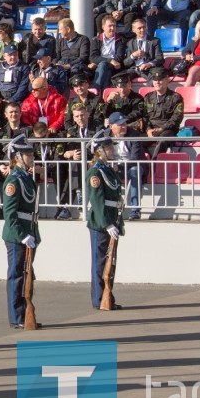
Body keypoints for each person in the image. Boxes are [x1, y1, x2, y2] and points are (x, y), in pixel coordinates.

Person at [0, 135, 40, 330]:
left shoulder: (25, 177)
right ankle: (16, 316)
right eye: (27, 154)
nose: (31, 156)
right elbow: (10, 214)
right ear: (17, 157)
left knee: (27, 275)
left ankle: (25, 312)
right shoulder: (13, 181)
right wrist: (23, 235)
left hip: (29, 231)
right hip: (17, 236)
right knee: (16, 275)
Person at [86, 129, 125, 310]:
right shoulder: (96, 172)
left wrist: (118, 222)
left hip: (112, 219)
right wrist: (107, 223)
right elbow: (97, 200)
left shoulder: (108, 170)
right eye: (108, 147)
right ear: (99, 150)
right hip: (101, 222)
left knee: (111, 262)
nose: (112, 150)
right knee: (100, 261)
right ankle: (99, 298)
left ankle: (108, 296)